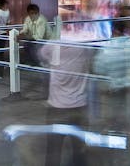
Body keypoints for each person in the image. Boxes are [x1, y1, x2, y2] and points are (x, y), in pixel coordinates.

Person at [40, 27, 94, 166]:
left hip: (57, 108)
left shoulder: (53, 46)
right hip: (80, 107)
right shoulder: (84, 47)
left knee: (53, 150)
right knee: (79, 151)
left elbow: (42, 54)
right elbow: (92, 61)